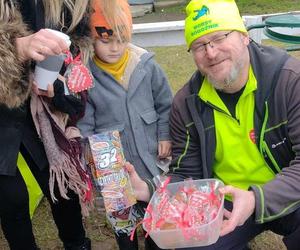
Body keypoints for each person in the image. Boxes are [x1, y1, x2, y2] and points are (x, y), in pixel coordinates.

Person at [126, 0, 300, 249]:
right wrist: (150, 189)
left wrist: (255, 199)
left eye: (219, 38)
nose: (210, 52)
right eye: (199, 45)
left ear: (243, 36)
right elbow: (188, 174)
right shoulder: (186, 104)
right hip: (223, 201)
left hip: (285, 191)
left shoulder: (289, 80)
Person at [0, 0, 99, 249]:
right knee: (12, 198)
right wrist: (16, 48)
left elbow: (75, 61)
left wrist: (58, 87)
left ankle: (77, 244)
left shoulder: (71, 7)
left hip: (38, 109)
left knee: (60, 185)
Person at [77, 0, 173, 249]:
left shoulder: (147, 66)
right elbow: (85, 123)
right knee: (124, 225)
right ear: (91, 38)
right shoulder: (87, 76)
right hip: (112, 166)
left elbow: (165, 105)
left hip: (151, 157)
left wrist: (165, 134)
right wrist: (91, 161)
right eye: (105, 41)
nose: (114, 48)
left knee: (156, 218)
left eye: (121, 40)